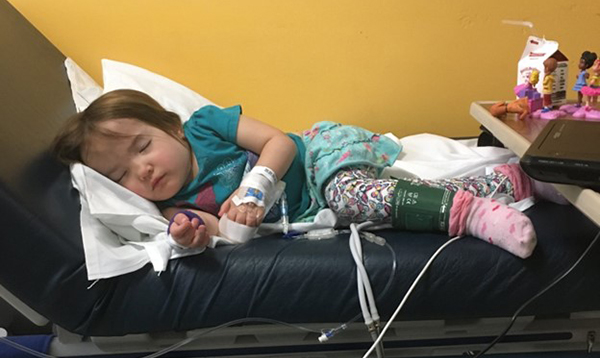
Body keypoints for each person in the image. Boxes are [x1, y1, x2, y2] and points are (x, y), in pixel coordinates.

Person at [52, 89, 562, 259]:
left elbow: (277, 142)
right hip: (313, 207)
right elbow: (218, 234)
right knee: (383, 201)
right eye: (122, 176)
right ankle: (520, 183)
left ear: (170, 127)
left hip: (317, 157)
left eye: (142, 147)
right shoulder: (172, 206)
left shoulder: (206, 126)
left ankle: (469, 216)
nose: (142, 169)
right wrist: (190, 236)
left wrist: (256, 185)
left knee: (351, 194)